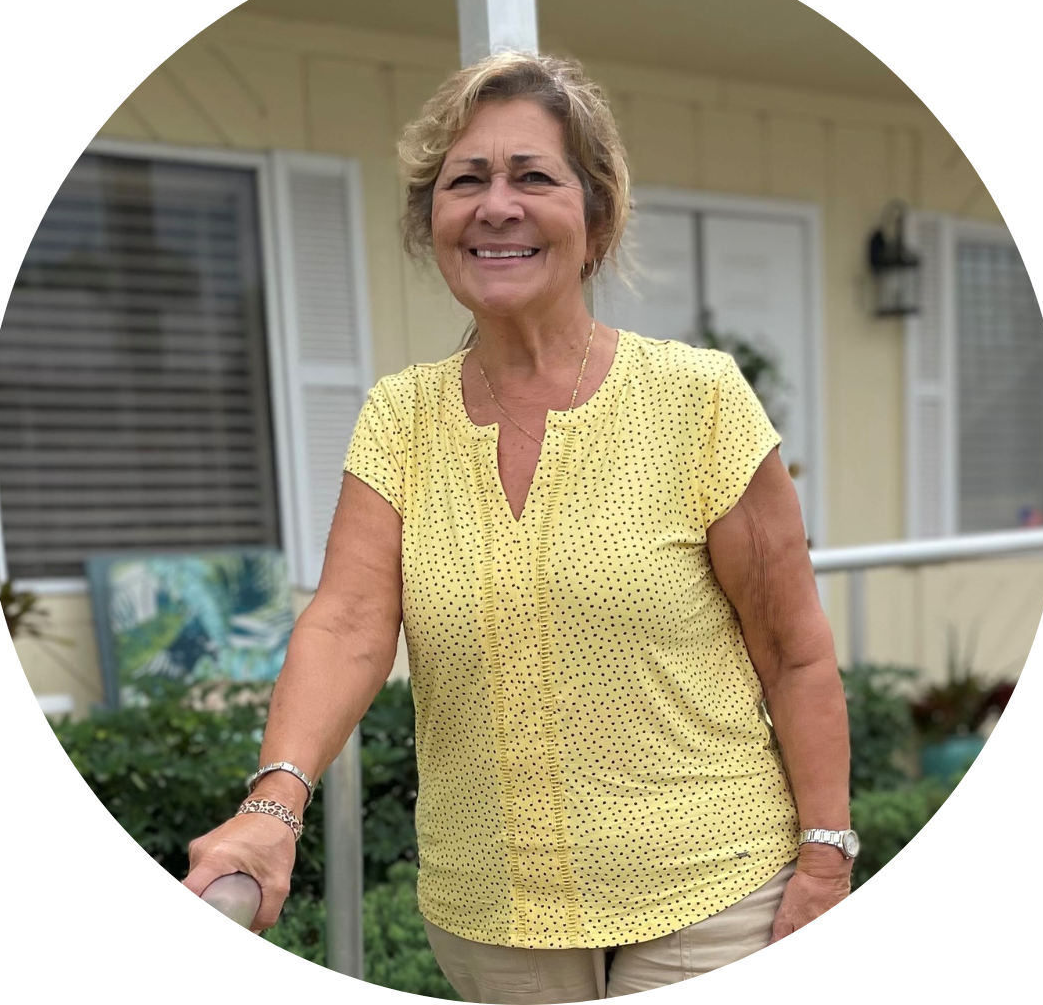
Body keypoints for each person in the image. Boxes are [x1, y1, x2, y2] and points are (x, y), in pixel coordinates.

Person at [183, 52, 855, 1000]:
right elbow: (347, 621)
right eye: (466, 181)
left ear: (598, 219)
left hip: (716, 886)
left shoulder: (698, 398)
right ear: (434, 225)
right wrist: (274, 801)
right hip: (490, 913)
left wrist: (825, 859)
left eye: (533, 176)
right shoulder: (400, 416)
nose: (496, 206)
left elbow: (795, 650)